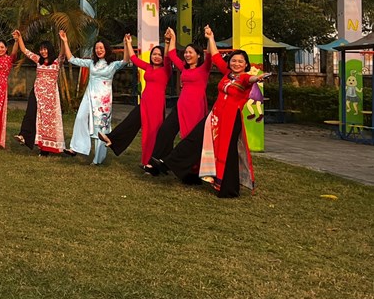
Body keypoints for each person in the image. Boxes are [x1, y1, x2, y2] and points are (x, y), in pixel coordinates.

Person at [152, 26, 267, 197]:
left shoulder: (244, 78)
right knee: (194, 139)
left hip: (230, 119)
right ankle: (169, 163)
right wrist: (210, 37)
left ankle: (228, 189)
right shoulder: (227, 73)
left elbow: (250, 79)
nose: (236, 64)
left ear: (246, 64)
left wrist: (257, 78)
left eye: (240, 62)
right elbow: (215, 56)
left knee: (226, 152)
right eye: (233, 61)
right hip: (214, 116)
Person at [144, 26, 214, 174]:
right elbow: (171, 54)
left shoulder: (204, 69)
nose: (187, 55)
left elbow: (210, 56)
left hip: (195, 108)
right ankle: (154, 163)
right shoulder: (184, 68)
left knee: (189, 138)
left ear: (198, 55)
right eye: (186, 52)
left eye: (190, 52)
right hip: (180, 106)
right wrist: (172, 37)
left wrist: (209, 38)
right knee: (165, 130)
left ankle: (191, 170)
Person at [60, 31, 127, 165]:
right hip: (89, 96)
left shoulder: (112, 65)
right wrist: (65, 41)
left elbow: (126, 61)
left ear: (106, 49)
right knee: (80, 118)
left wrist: (127, 44)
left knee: (100, 129)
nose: (99, 50)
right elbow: (72, 59)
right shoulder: (91, 63)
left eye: (101, 48)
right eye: (96, 48)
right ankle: (75, 148)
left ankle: (98, 159)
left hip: (103, 101)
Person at [106, 32, 173, 166]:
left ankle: (152, 162)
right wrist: (128, 43)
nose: (156, 57)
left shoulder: (166, 69)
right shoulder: (148, 67)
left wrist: (167, 42)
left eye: (159, 55)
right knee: (138, 128)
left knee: (153, 133)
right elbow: (134, 59)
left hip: (156, 105)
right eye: (154, 54)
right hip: (145, 103)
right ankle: (143, 159)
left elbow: (168, 57)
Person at [11, 30, 65, 155]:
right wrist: (19, 37)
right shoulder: (38, 60)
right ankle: (23, 136)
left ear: (50, 50)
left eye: (45, 49)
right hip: (36, 92)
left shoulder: (57, 62)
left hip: (50, 97)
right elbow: (25, 50)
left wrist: (63, 40)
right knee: (30, 113)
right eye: (41, 49)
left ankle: (45, 149)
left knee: (46, 123)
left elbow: (63, 53)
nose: (43, 52)